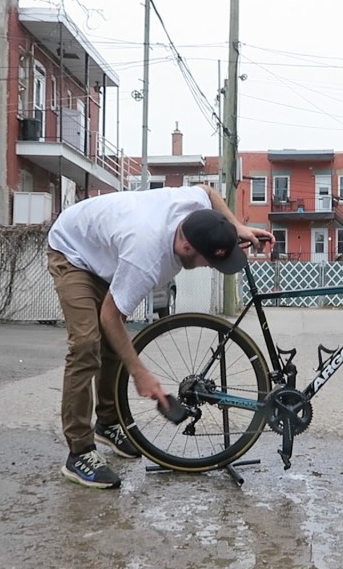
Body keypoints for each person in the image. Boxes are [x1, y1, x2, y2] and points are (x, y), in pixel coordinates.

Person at [46, 184, 274, 489]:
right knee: (88, 343)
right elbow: (110, 316)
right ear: (187, 248)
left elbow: (207, 191)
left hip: (106, 248)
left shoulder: (192, 207)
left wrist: (236, 226)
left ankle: (108, 423)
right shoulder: (146, 256)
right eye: (211, 260)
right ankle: (79, 452)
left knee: (114, 342)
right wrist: (140, 373)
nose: (213, 268)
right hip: (72, 249)